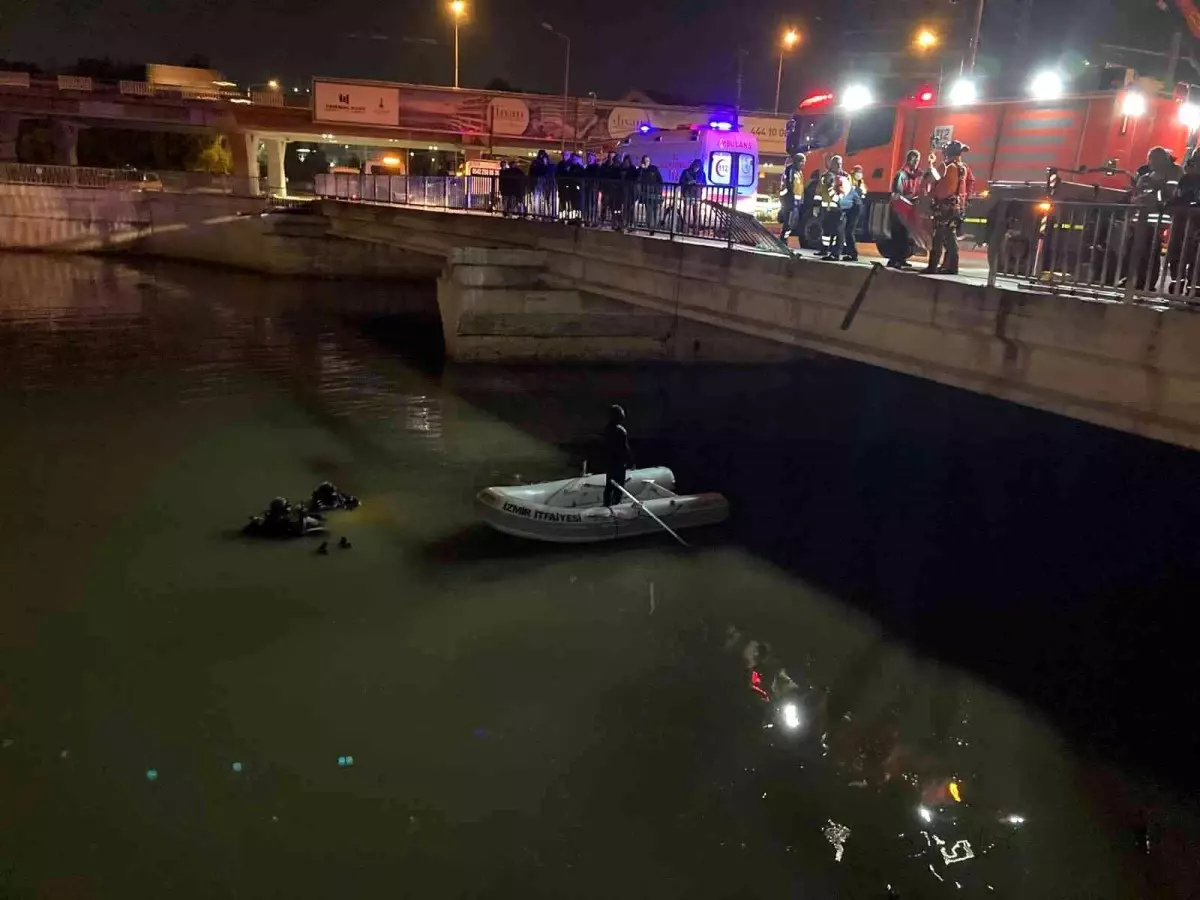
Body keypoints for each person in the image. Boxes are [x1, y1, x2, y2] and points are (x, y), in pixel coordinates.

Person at [922, 141, 971, 275]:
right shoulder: (963, 168)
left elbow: (931, 179)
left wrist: (931, 164)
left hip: (943, 207)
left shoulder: (945, 166)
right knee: (950, 236)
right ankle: (953, 267)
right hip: (955, 207)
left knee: (938, 236)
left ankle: (932, 267)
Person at [886, 150, 923, 268]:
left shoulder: (916, 176)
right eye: (913, 160)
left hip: (909, 209)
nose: (915, 162)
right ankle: (893, 260)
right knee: (897, 234)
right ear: (908, 160)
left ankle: (901, 259)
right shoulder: (901, 175)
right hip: (899, 209)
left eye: (917, 160)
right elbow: (897, 194)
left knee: (904, 235)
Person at [817, 155, 851, 260]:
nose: (838, 166)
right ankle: (825, 249)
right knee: (826, 229)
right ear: (832, 164)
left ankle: (835, 253)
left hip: (838, 208)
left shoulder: (845, 176)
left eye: (840, 163)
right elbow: (819, 191)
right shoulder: (825, 176)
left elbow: (847, 190)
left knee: (838, 230)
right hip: (826, 208)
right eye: (836, 163)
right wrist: (816, 206)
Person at [601, 404, 633, 507]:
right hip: (618, 463)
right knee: (619, 487)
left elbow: (604, 446)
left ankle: (606, 505)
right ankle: (616, 506)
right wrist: (630, 461)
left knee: (609, 486)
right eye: (621, 414)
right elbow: (625, 448)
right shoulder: (621, 430)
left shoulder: (606, 429)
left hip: (609, 462)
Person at [779, 152, 807, 243]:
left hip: (797, 201)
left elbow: (800, 187)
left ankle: (784, 240)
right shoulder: (790, 170)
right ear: (796, 161)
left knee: (792, 223)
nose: (803, 164)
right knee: (789, 222)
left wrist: (801, 200)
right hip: (790, 201)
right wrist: (790, 200)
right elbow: (789, 185)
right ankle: (783, 241)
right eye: (802, 162)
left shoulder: (799, 172)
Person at [842, 165, 867, 261]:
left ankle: (852, 254)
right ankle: (849, 252)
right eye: (857, 172)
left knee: (849, 231)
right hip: (852, 206)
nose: (859, 174)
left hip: (855, 207)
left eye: (860, 172)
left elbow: (863, 193)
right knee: (847, 230)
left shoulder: (861, 182)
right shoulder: (849, 179)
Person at [679, 158, 706, 233]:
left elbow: (704, 183)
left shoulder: (702, 173)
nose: (696, 168)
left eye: (698, 167)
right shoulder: (686, 172)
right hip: (687, 194)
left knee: (697, 213)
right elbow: (681, 181)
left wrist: (699, 184)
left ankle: (696, 229)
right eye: (695, 167)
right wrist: (688, 183)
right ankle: (685, 229)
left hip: (697, 194)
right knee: (686, 212)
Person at [529, 150, 553, 218]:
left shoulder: (537, 163)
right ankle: (539, 213)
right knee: (539, 197)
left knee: (543, 198)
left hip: (542, 181)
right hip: (540, 180)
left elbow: (532, 172)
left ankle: (544, 213)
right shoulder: (538, 163)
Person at [583, 151, 602, 226]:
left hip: (594, 187)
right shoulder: (587, 167)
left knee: (593, 203)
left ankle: (594, 219)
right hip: (588, 187)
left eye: (590, 158)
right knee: (588, 203)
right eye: (588, 158)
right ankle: (588, 219)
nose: (589, 159)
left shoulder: (596, 167)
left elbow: (597, 177)